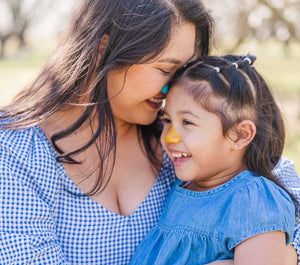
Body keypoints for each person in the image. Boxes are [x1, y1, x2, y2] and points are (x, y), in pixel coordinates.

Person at [0, 0, 299, 263]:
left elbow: (279, 181)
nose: (174, 88)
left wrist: (281, 253)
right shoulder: (17, 150)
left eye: (184, 70)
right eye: (165, 69)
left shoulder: (178, 137)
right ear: (103, 49)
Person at [129, 54, 298, 265]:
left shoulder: (254, 198)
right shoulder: (185, 184)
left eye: (187, 122)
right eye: (167, 120)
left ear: (240, 135)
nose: (169, 137)